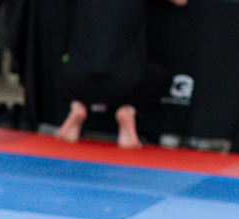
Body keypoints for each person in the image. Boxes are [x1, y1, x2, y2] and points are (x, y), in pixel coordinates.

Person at [55, 0, 185, 149]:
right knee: (161, 76)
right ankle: (129, 109)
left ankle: (76, 105)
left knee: (62, 62)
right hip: (126, 84)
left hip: (76, 80)